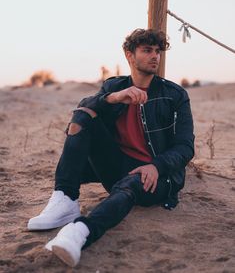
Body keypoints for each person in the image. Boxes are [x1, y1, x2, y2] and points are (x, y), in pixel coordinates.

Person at [27, 28, 194, 267]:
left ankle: (80, 231)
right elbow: (84, 110)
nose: (155, 56)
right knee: (83, 115)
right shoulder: (114, 86)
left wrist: (157, 166)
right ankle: (65, 198)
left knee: (129, 186)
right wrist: (114, 97)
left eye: (158, 51)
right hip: (117, 164)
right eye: (147, 50)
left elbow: (185, 146)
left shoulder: (174, 95)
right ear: (129, 55)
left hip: (157, 177)